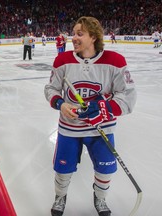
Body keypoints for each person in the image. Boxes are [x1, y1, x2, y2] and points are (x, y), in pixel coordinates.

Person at [44, 16, 137, 216]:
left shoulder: (115, 61)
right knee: (63, 169)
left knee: (105, 170)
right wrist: (60, 104)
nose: (74, 38)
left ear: (93, 37)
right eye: (73, 33)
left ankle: (100, 199)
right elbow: (51, 89)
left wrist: (103, 108)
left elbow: (128, 96)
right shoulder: (63, 60)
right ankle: (60, 196)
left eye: (80, 34)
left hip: (102, 128)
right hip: (70, 128)